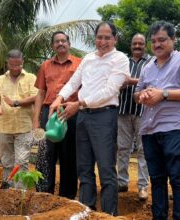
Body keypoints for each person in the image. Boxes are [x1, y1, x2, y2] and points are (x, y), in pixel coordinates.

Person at [50, 22, 130, 215]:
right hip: (83, 118)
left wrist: (79, 104)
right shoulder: (88, 58)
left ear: (115, 39)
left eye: (107, 38)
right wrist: (59, 98)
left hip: (104, 116)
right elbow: (74, 82)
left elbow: (110, 90)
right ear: (95, 38)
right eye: (99, 37)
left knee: (106, 169)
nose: (102, 42)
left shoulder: (120, 59)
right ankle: (87, 210)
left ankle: (108, 214)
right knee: (84, 168)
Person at [134, 21, 180, 219]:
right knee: (156, 179)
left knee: (178, 179)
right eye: (153, 41)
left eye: (162, 40)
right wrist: (143, 95)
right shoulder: (147, 67)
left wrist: (163, 94)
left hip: (175, 128)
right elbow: (136, 94)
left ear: (173, 39)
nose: (157, 45)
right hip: (149, 129)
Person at [32, 31, 81, 199]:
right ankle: (43, 195)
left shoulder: (80, 64)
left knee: (69, 156)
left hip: (70, 113)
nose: (60, 44)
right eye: (56, 41)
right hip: (49, 113)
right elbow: (40, 94)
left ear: (69, 43)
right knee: (45, 155)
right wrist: (36, 121)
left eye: (63, 41)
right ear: (53, 45)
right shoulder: (45, 66)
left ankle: (66, 198)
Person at [0, 49, 37, 185]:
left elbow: (36, 96)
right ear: (7, 63)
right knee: (7, 162)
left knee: (21, 162)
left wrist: (16, 103)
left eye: (19, 65)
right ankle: (8, 190)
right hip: (4, 127)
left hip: (24, 127)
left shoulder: (31, 78)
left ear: (23, 62)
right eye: (12, 65)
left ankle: (20, 193)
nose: (16, 68)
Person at [117, 33, 150, 200]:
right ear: (131, 45)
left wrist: (131, 81)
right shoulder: (124, 62)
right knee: (122, 148)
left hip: (143, 112)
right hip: (123, 110)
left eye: (141, 43)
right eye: (135, 43)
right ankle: (122, 181)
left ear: (145, 45)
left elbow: (152, 81)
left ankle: (143, 186)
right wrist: (122, 83)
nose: (137, 46)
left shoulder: (151, 62)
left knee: (143, 150)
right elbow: (117, 80)